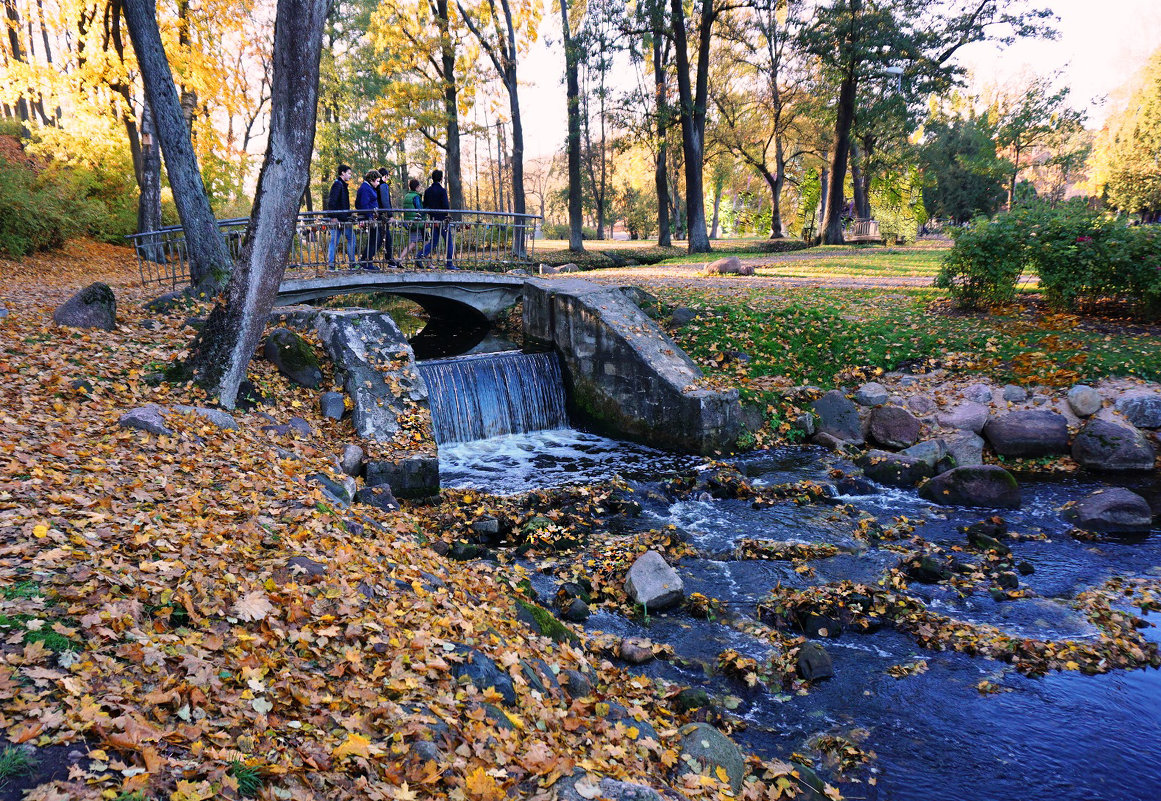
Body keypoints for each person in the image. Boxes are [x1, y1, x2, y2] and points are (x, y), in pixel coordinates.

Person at [420, 169, 455, 269]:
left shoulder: (427, 191)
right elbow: (445, 206)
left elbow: (425, 205)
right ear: (441, 178)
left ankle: (419, 255)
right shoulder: (442, 191)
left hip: (433, 220)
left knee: (434, 242)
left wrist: (432, 215)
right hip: (442, 220)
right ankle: (449, 264)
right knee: (448, 242)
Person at [325, 165, 356, 268]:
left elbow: (342, 203)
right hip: (339, 219)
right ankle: (334, 265)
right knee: (337, 241)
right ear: (343, 173)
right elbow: (332, 202)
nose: (350, 176)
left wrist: (349, 214)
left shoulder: (341, 185)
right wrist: (333, 217)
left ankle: (333, 265)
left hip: (343, 218)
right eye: (349, 173)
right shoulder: (338, 185)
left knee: (338, 240)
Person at [355, 170, 382, 270]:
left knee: (375, 239)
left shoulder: (368, 187)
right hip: (369, 218)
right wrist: (369, 217)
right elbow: (363, 204)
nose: (378, 184)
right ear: (371, 180)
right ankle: (366, 261)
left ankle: (366, 260)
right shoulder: (365, 188)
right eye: (377, 181)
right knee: (374, 240)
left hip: (371, 217)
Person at [376, 167, 400, 267]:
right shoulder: (383, 186)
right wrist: (390, 215)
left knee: (382, 238)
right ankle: (389, 260)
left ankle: (389, 259)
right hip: (382, 216)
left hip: (378, 214)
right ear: (385, 176)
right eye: (387, 176)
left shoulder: (376, 186)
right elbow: (385, 201)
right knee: (385, 238)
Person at [397, 178, 425, 265]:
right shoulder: (416, 197)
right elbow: (419, 209)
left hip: (410, 222)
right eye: (419, 186)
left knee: (423, 241)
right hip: (417, 223)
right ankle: (400, 259)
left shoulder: (406, 196)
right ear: (416, 187)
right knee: (414, 243)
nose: (420, 188)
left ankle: (428, 263)